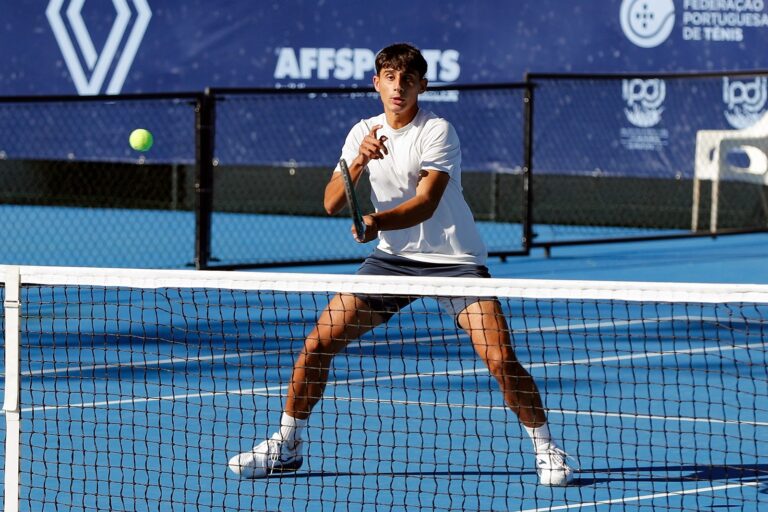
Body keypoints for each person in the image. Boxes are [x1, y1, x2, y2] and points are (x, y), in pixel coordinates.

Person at [229, 43, 574, 486]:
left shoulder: (438, 131)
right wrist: (359, 160)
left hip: (455, 262)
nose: (398, 85)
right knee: (317, 346)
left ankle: (547, 448)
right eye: (390, 77)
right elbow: (332, 202)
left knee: (500, 358)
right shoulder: (362, 132)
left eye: (407, 79)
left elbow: (426, 203)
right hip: (393, 262)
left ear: (421, 86)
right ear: (377, 83)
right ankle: (287, 445)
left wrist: (375, 220)